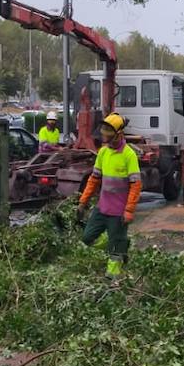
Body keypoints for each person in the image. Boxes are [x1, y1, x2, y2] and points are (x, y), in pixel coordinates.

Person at [77, 114, 142, 276]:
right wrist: (83, 202)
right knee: (87, 238)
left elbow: (135, 185)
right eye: (104, 130)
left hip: (119, 212)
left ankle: (112, 278)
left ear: (118, 134)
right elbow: (94, 179)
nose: (104, 134)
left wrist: (129, 210)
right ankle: (120, 244)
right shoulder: (103, 152)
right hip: (102, 208)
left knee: (115, 250)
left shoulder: (129, 155)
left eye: (108, 131)